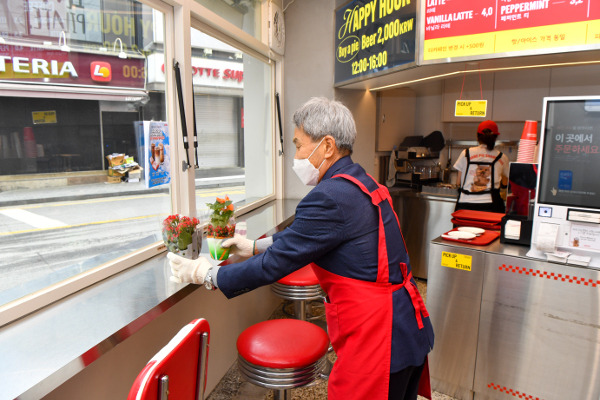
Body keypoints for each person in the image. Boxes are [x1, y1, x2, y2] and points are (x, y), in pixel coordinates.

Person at [168, 97, 434, 400]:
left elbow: (275, 265)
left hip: (379, 337)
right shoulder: (361, 181)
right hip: (405, 325)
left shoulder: (330, 195)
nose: (295, 155)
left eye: (299, 144)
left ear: (328, 146)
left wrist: (208, 274)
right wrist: (254, 245)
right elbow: (310, 236)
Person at [453, 120, 509, 213]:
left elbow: (458, 182)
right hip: (491, 205)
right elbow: (506, 181)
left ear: (477, 136)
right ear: (495, 137)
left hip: (465, 205)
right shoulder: (501, 157)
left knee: (464, 228)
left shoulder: (466, 154)